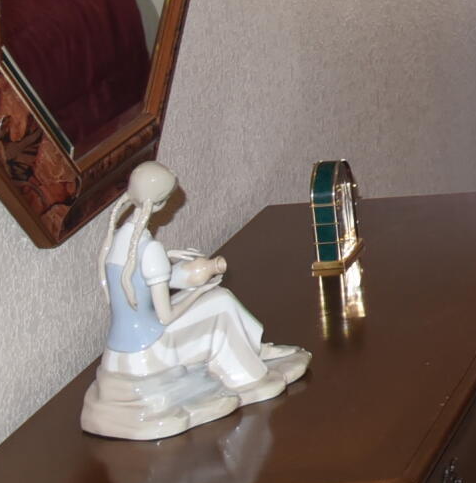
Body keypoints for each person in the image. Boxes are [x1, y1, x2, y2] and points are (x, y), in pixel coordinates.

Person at [81, 162, 311, 440]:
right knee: (221, 300)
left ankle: (252, 349)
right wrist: (199, 292)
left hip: (119, 351)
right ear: (159, 203)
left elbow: (138, 283)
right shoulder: (149, 249)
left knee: (218, 300)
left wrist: (170, 261)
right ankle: (246, 373)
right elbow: (165, 316)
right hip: (151, 348)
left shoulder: (119, 239)